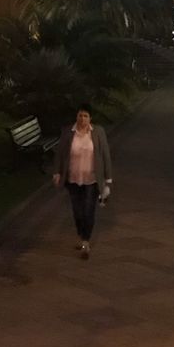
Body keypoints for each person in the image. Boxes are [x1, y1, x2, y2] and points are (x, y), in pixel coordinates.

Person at [52, 103, 112, 260]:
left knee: (88, 210)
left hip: (91, 180)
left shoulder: (98, 132)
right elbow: (60, 154)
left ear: (90, 118)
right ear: (76, 116)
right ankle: (81, 235)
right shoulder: (68, 132)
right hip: (73, 179)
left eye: (85, 116)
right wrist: (57, 172)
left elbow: (105, 155)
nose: (82, 118)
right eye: (80, 115)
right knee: (77, 212)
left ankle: (86, 242)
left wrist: (108, 178)